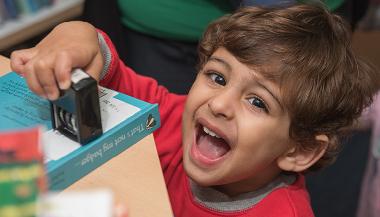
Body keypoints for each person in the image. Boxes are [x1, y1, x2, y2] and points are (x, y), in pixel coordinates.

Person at [10, 4, 380, 217]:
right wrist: (79, 35)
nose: (218, 104)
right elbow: (119, 82)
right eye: (218, 77)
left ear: (298, 150)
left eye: (257, 102)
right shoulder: (181, 118)